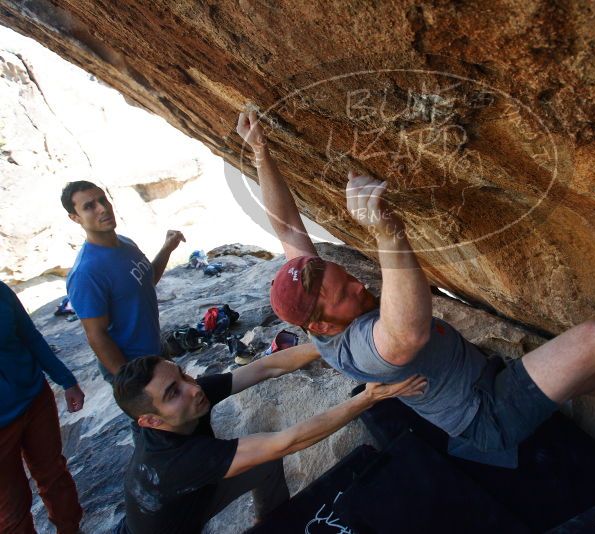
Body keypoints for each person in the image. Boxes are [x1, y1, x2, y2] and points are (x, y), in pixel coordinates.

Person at [234, 110, 595, 462]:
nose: (358, 287)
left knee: (593, 377)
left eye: (348, 279)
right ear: (325, 324)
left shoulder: (311, 296)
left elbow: (289, 231)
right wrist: (388, 231)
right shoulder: (362, 349)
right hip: (488, 417)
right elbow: (405, 333)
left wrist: (260, 152)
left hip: (482, 382)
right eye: (347, 293)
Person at [112, 348, 425, 534]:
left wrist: (331, 344)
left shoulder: (191, 398)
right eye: (173, 392)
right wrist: (367, 399)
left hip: (192, 495)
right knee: (271, 451)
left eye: (183, 375)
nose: (192, 388)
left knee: (264, 463)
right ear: (150, 421)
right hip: (171, 524)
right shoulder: (173, 463)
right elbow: (286, 442)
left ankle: (271, 522)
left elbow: (265, 366)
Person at [62, 181, 185, 382]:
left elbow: (146, 280)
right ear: (75, 217)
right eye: (89, 206)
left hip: (157, 351)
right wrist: (128, 380)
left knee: (190, 409)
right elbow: (96, 335)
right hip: (134, 367)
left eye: (103, 200)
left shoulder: (125, 243)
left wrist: (167, 249)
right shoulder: (86, 272)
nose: (102, 208)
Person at [0, 281, 85, 533]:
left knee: (54, 474)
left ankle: (70, 529)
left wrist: (66, 380)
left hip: (35, 398)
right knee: (10, 507)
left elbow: (30, 337)